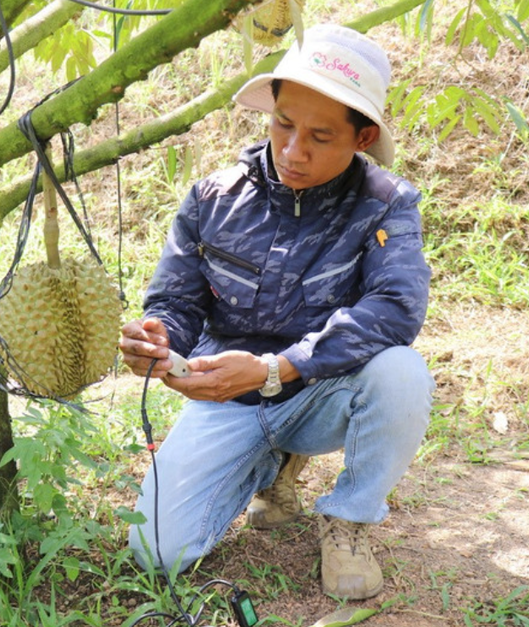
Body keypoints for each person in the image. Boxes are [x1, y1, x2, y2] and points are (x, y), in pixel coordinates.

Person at [118, 23, 435, 600]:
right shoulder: (212, 198)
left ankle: (349, 518)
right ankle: (269, 466)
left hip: (319, 390)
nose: (292, 150)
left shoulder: (387, 205)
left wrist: (279, 368)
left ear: (362, 138)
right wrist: (162, 340)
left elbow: (395, 309)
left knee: (402, 374)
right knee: (157, 553)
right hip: (228, 395)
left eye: (320, 136)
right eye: (283, 124)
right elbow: (177, 301)